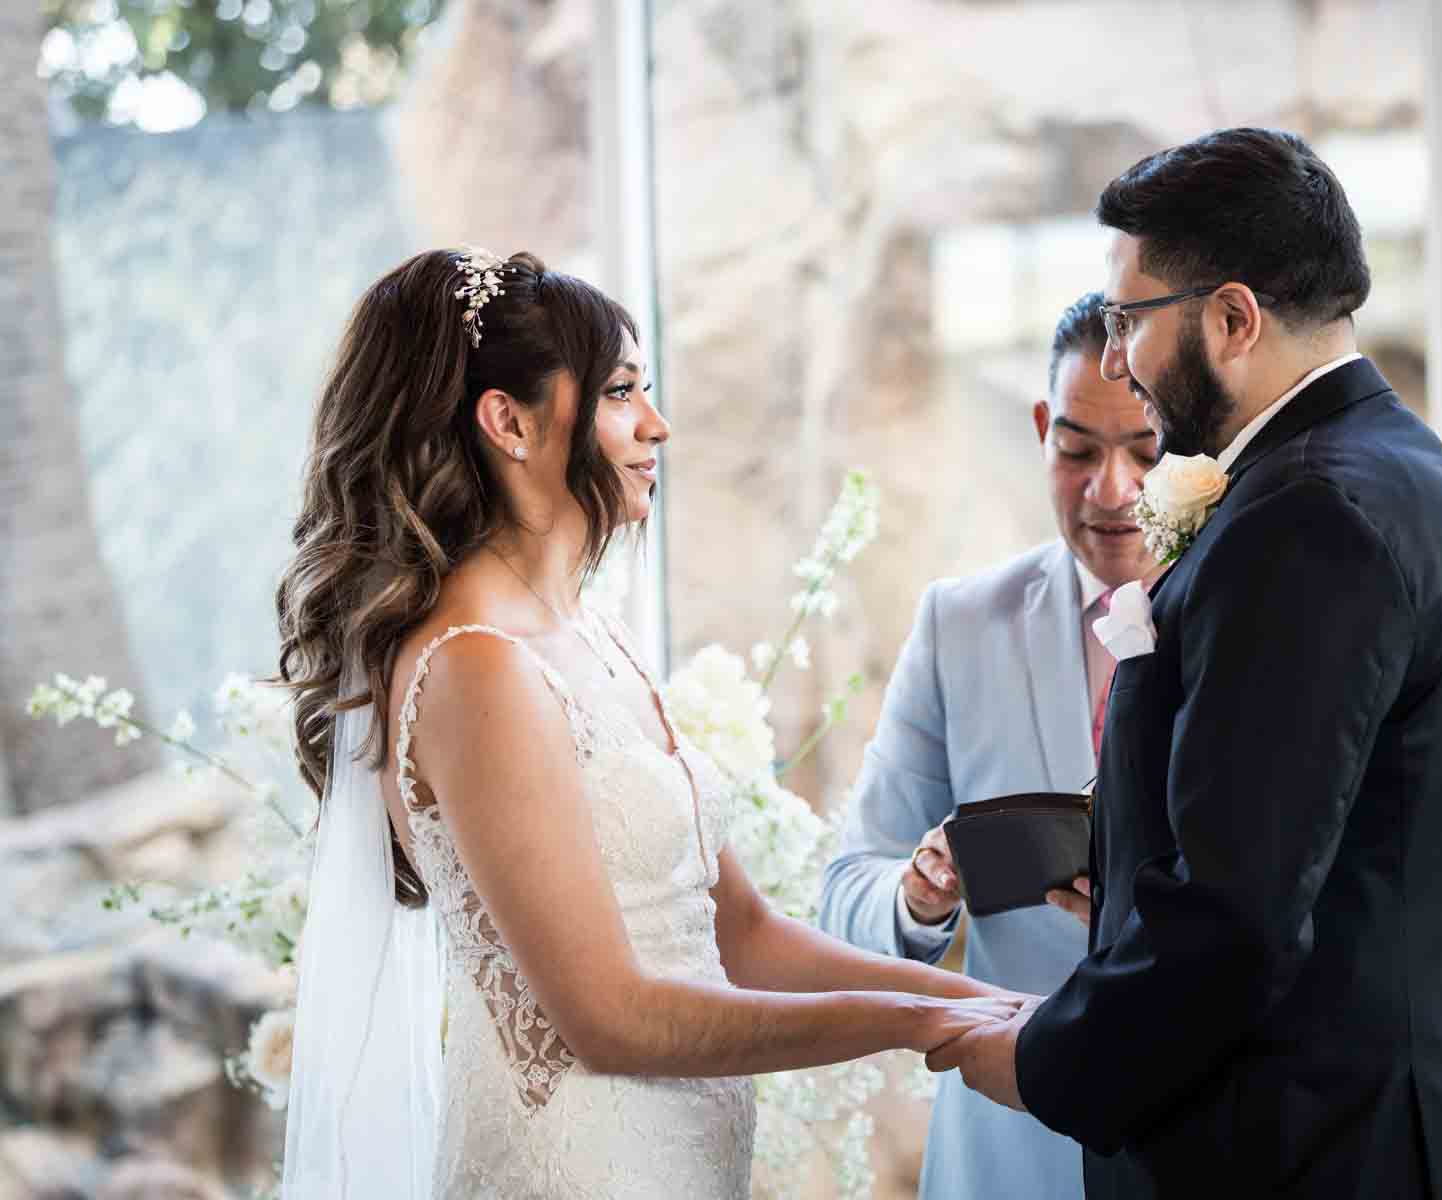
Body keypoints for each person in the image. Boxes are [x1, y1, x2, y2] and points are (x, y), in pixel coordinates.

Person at [274, 248, 1022, 1200]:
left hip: (686, 1163)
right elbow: (609, 1018)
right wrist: (928, 1029)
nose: (656, 426)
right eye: (622, 393)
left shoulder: (594, 635)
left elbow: (744, 935)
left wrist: (986, 1002)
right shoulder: (476, 667)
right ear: (508, 421)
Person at [931, 128, 1442, 1199]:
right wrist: (1121, 861)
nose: (1117, 360)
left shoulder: (1306, 522)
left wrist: (1040, 1057)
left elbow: (1236, 919)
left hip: (1311, 1155)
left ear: (1232, 317)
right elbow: (1328, 832)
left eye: (1128, 321)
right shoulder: (1401, 472)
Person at [817, 292, 1157, 1200]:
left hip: (1208, 1138)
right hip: (1010, 1150)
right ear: (1042, 430)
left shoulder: (1262, 620)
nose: (1110, 489)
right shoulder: (960, 625)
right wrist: (919, 898)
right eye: (1078, 449)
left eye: (1145, 452)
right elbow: (847, 889)